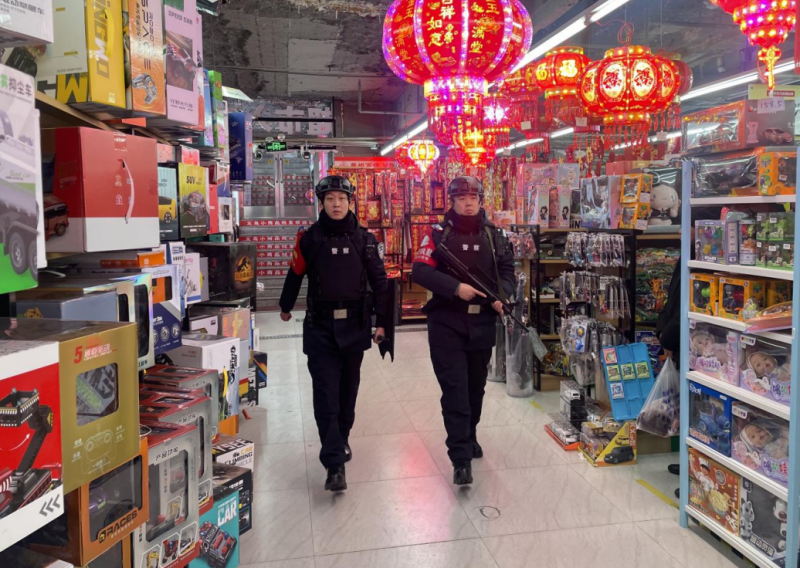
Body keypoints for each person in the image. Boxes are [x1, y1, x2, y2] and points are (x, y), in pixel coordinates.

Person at [279, 175, 391, 492]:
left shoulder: (366, 240)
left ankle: (341, 438)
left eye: (341, 198)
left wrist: (382, 323)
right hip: (320, 328)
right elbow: (295, 274)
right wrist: (286, 305)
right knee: (325, 394)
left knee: (347, 392)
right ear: (321, 203)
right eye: (330, 199)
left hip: (355, 325)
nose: (336, 204)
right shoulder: (309, 239)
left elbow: (380, 283)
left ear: (349, 201)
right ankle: (334, 464)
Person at [412, 176, 515, 485]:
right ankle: (460, 458)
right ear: (452, 202)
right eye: (461, 198)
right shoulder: (437, 234)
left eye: (473, 198)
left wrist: (502, 296)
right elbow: (420, 271)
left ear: (481, 200)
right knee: (455, 390)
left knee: (475, 388)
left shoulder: (496, 236)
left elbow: (507, 273)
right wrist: (456, 288)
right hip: (446, 323)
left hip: (482, 323)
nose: (468, 203)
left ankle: (469, 435)